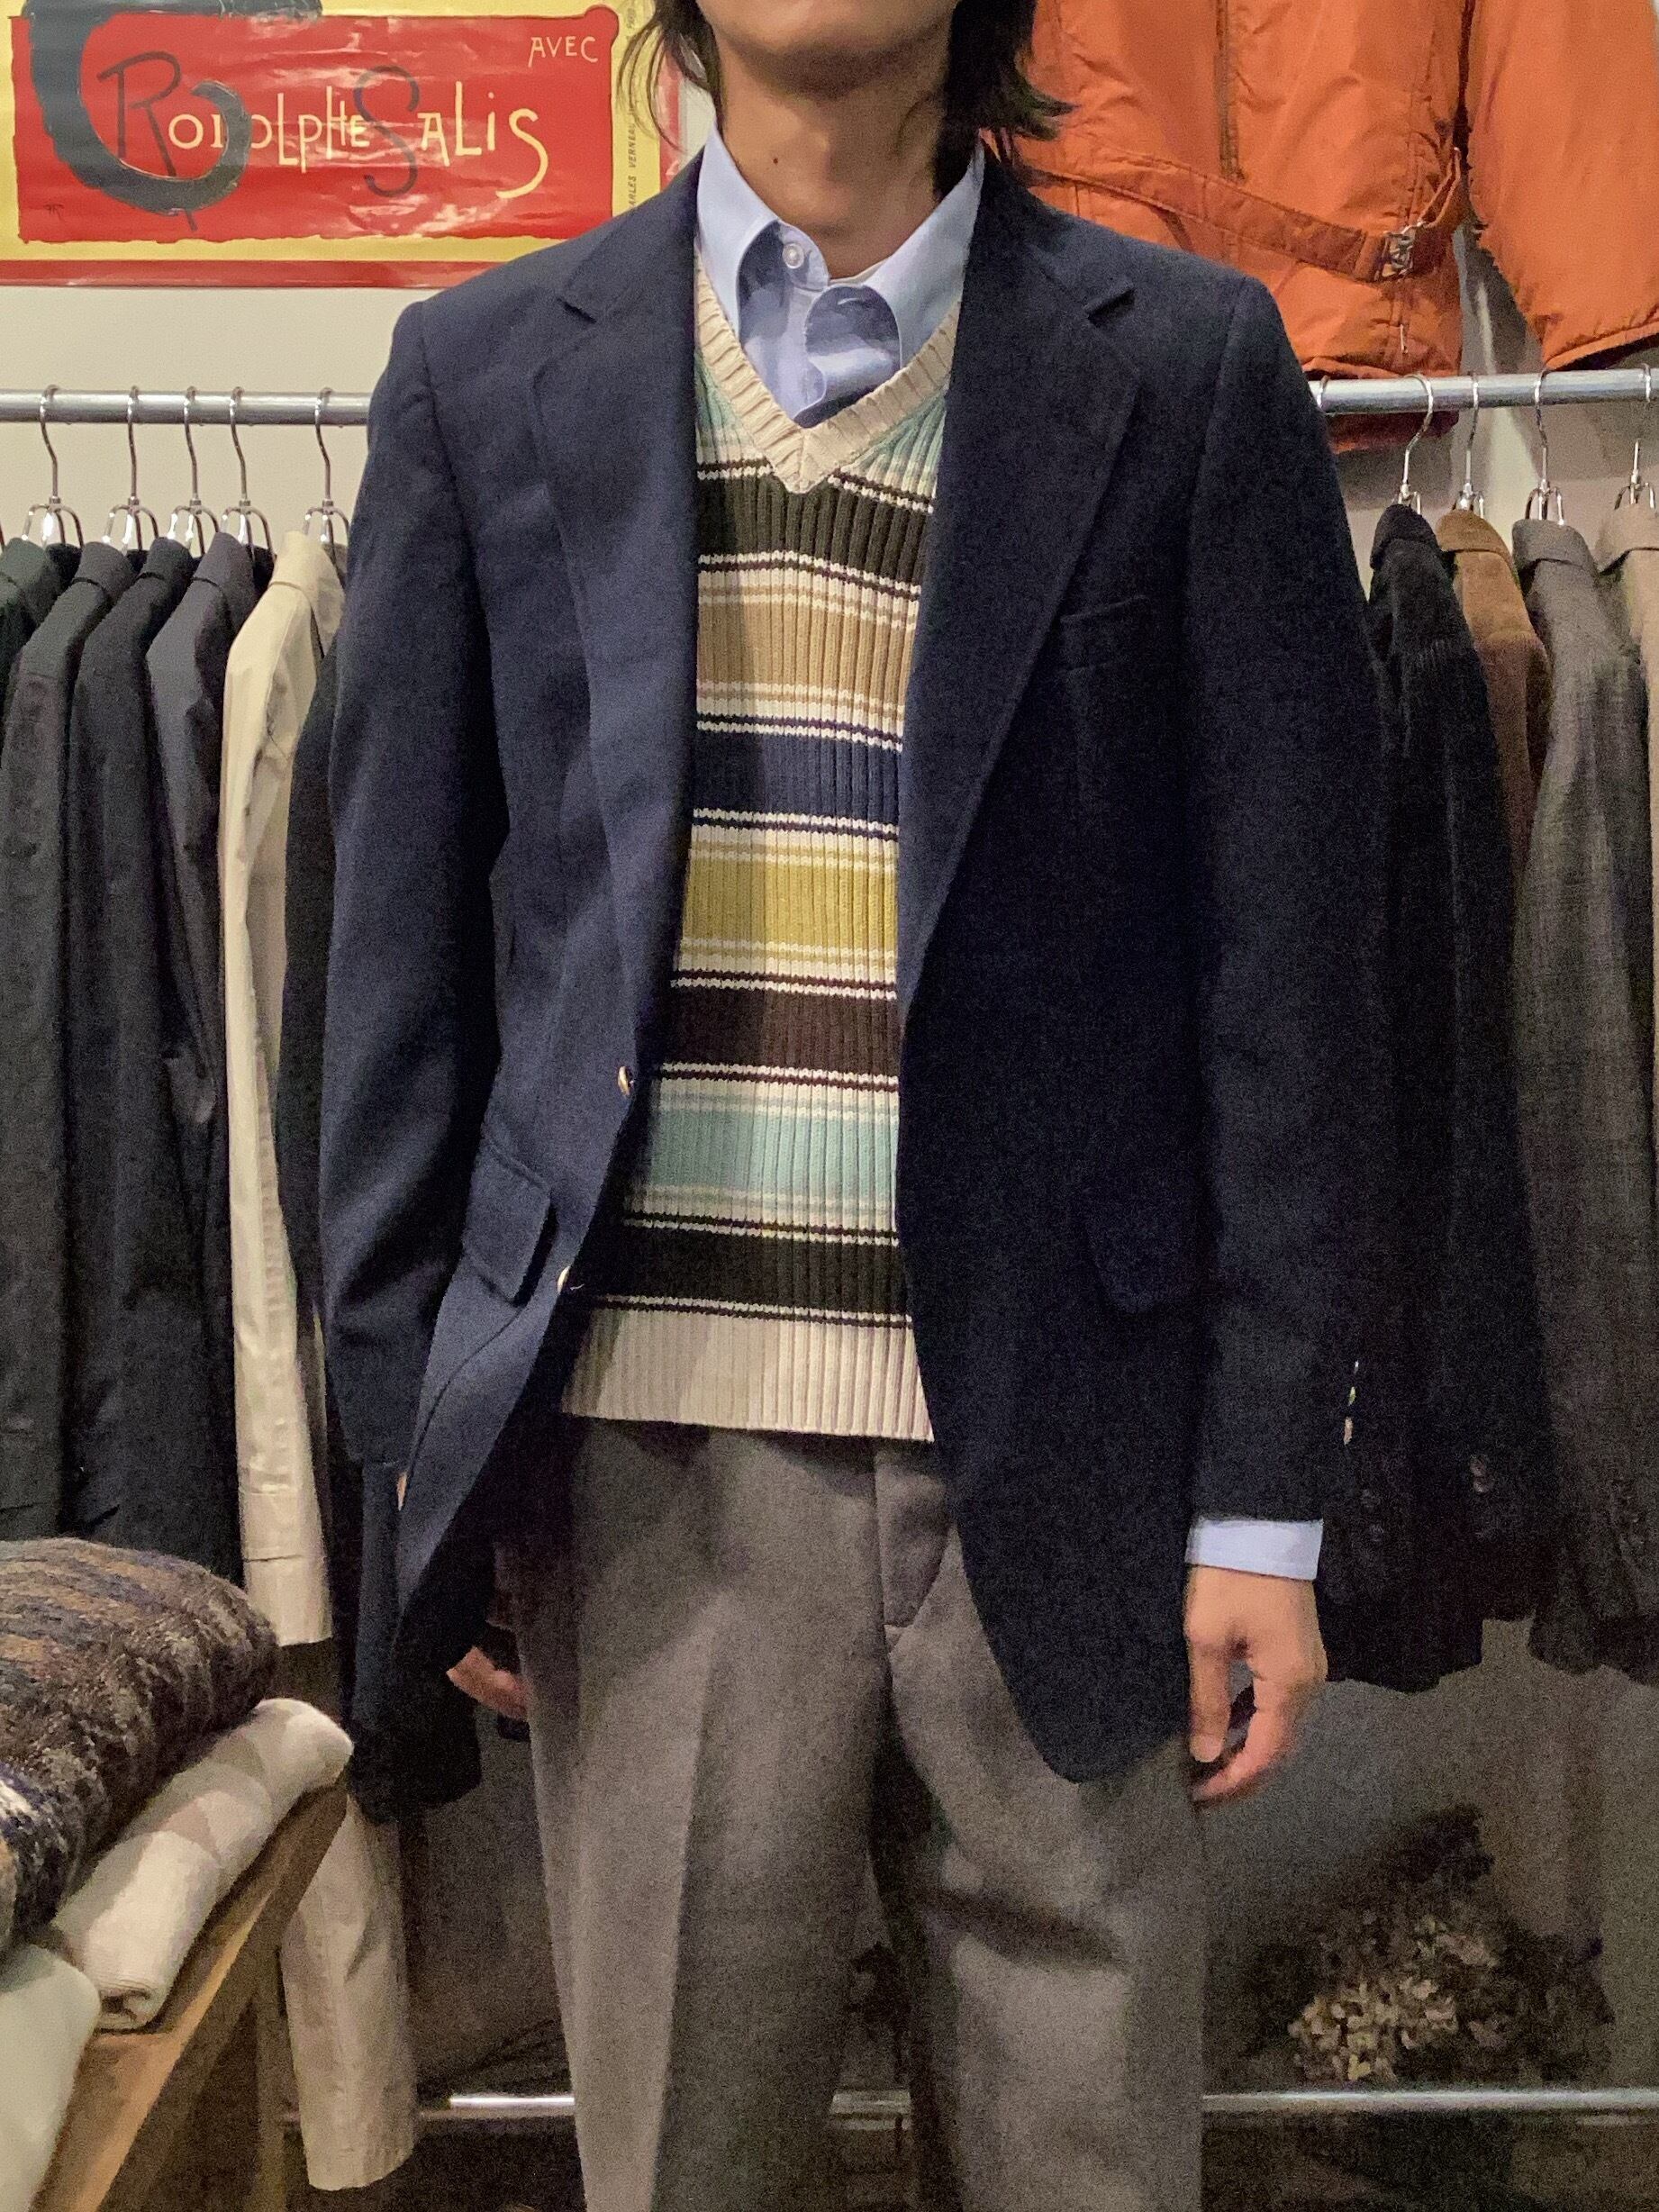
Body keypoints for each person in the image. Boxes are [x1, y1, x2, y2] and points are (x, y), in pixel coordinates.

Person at [321, 3, 1387, 2205]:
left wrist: (1265, 1503)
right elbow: (396, 959)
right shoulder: (486, 372)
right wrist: (424, 1449)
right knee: (682, 2163)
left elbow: (1291, 982)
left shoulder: (1188, 371)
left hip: (1075, 1452)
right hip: (642, 1462)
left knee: (1094, 2161)